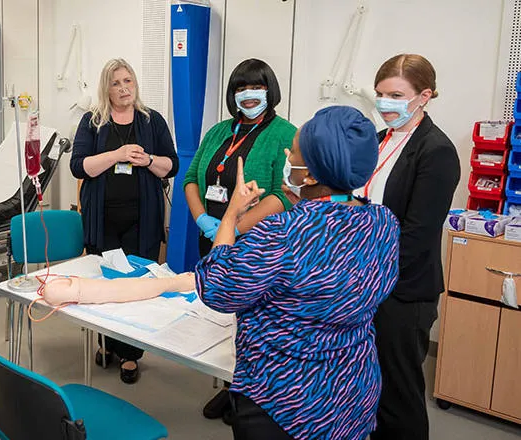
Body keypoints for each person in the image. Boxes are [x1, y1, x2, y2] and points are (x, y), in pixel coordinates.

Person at [196, 105, 400, 440]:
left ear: (311, 176)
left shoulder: (283, 232)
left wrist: (232, 214)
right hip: (352, 393)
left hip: (285, 401)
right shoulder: (383, 224)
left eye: (294, 150)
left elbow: (216, 287)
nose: (287, 154)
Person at [183, 58, 296, 421]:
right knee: (220, 316)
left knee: (254, 324)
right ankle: (228, 383)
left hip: (257, 244)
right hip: (212, 239)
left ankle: (249, 394)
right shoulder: (218, 132)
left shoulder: (285, 134)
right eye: (241, 88)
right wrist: (203, 219)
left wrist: (235, 225)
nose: (248, 94)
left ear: (270, 91)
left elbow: (285, 193)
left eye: (257, 87)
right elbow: (189, 178)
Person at [366, 54, 460, 440]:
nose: (384, 103)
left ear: (424, 96)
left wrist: (366, 276)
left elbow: (416, 238)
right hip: (367, 281)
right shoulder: (378, 140)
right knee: (370, 387)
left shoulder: (436, 151)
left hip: (403, 292)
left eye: (394, 95)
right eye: (379, 94)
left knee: (399, 395)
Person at [70, 58, 179, 384]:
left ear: (135, 85)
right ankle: (106, 341)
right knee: (105, 286)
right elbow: (79, 166)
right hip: (103, 221)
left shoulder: (152, 121)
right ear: (107, 88)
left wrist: (146, 159)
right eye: (116, 83)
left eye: (128, 81)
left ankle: (130, 354)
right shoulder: (92, 122)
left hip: (140, 221)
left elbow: (170, 165)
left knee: (135, 287)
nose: (123, 88)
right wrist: (116, 156)